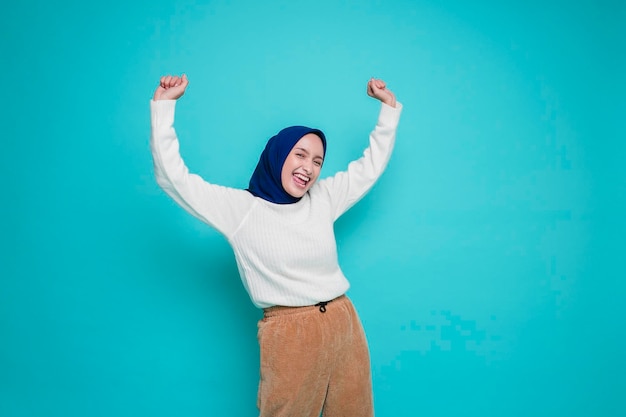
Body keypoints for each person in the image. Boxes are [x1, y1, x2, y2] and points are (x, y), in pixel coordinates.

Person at [150, 74, 402, 417]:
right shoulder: (240, 209)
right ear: (278, 154)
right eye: (300, 154)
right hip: (290, 332)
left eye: (317, 161)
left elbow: (368, 169)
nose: (308, 168)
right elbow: (173, 178)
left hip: (344, 323)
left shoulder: (323, 198)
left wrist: (387, 110)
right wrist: (164, 106)